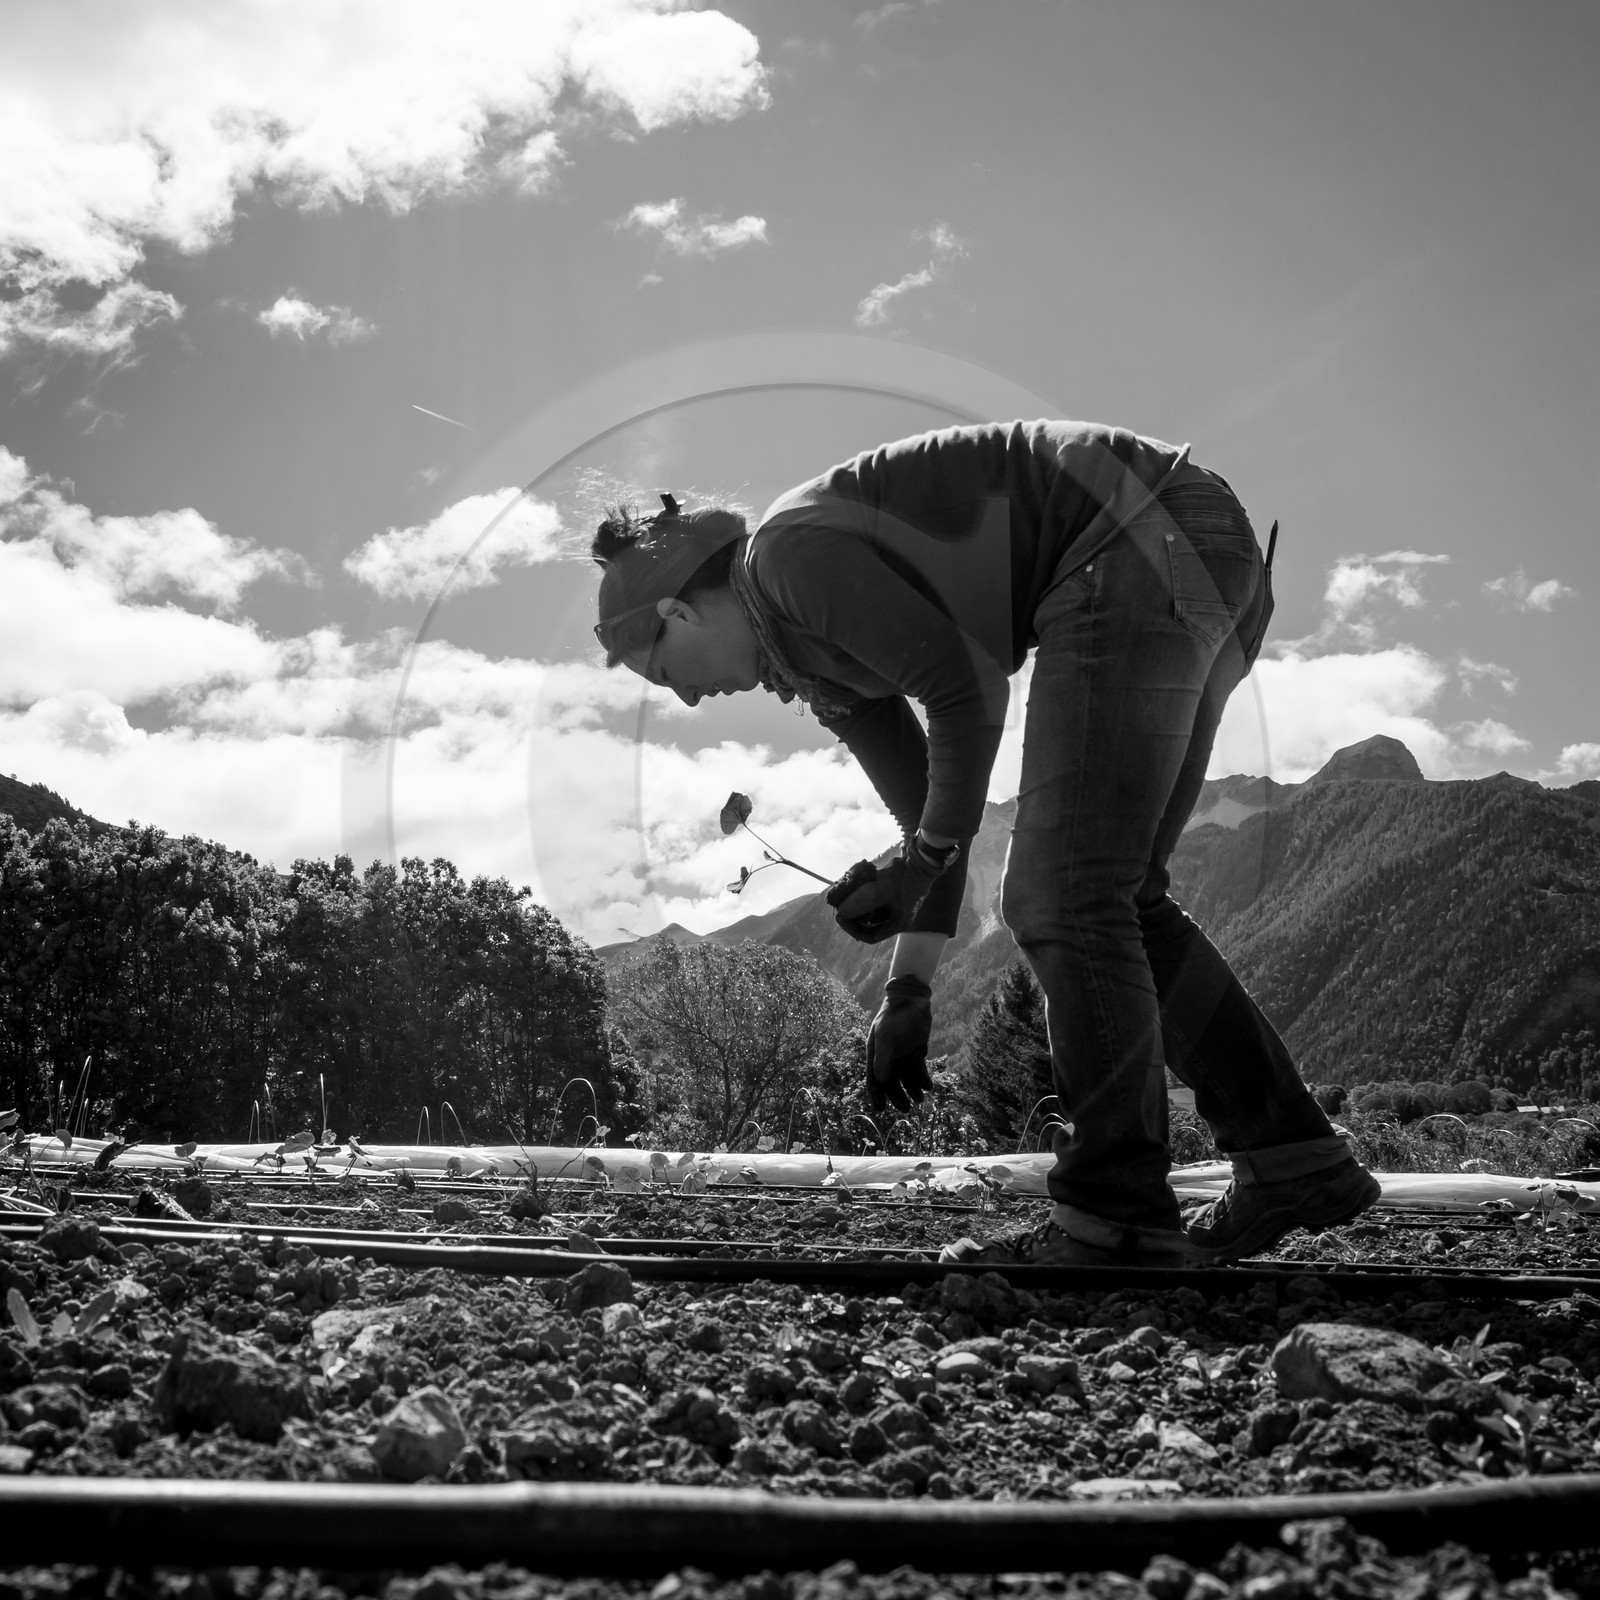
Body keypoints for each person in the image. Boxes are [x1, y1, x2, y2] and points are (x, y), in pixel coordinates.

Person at [591, 422, 1380, 1266]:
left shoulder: (782, 561)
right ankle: (1291, 1160)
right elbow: (935, 812)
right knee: (1115, 895)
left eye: (666, 674)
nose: (687, 700)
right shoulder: (818, 670)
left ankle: (1114, 1216)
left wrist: (922, 856)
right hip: (1190, 552)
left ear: (677, 612)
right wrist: (908, 991)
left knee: (1065, 894)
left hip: (1136, 537)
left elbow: (964, 693)